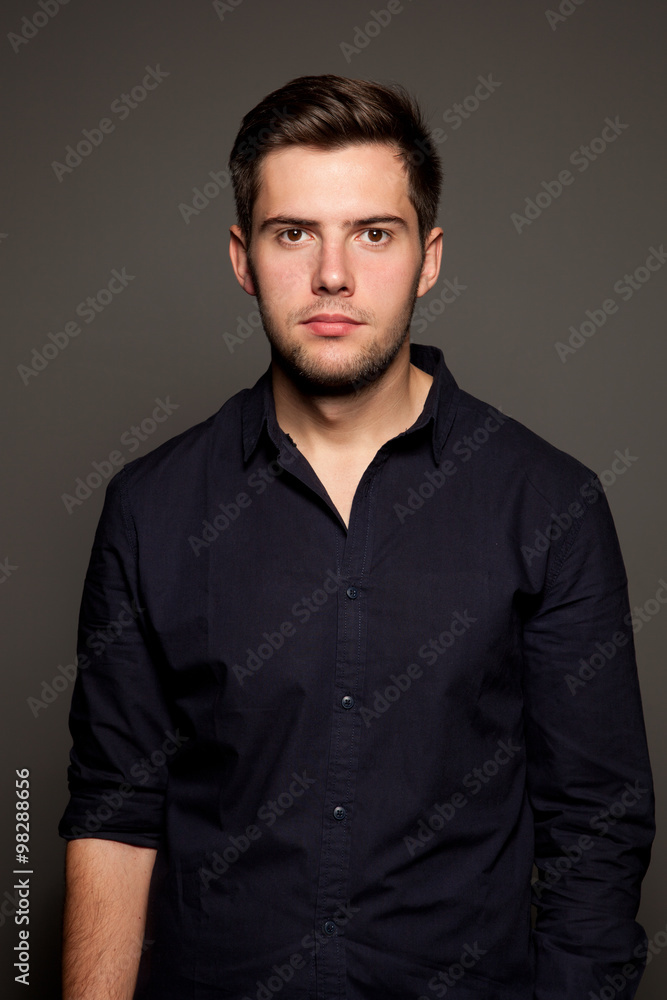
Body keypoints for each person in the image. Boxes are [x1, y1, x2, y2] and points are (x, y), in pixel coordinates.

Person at [59, 75, 655, 1000]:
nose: (331, 273)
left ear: (428, 258)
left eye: (373, 233)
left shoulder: (548, 503)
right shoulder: (151, 507)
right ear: (241, 258)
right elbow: (112, 807)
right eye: (292, 232)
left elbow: (595, 826)